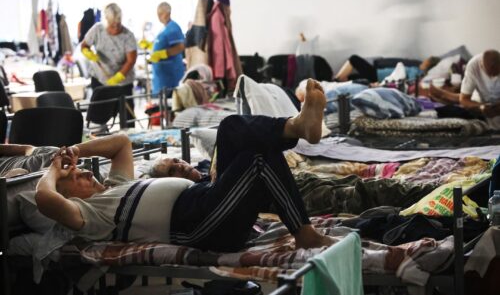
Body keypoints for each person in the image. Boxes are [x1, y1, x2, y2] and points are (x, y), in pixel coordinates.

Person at [35, 79, 334, 252]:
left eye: (79, 168)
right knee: (255, 160)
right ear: (69, 197)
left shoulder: (116, 187)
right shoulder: (90, 217)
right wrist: (53, 170)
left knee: (230, 127)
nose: (85, 170)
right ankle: (304, 233)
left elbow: (121, 142)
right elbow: (45, 200)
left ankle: (296, 126)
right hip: (199, 225)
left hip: (208, 197)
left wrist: (73, 149)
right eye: (74, 177)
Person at [81, 3, 137, 127]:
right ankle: (100, 139)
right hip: (100, 79)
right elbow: (84, 45)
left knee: (127, 117)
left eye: (118, 23)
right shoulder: (97, 29)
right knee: (99, 117)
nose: (116, 28)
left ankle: (130, 141)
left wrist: (119, 76)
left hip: (123, 82)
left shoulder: (128, 35)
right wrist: (87, 52)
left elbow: (131, 60)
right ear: (105, 20)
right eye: (112, 25)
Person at [150, 2, 186, 95]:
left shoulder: (173, 28)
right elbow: (163, 44)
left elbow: (180, 47)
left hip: (170, 77)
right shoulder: (165, 28)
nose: (159, 16)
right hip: (162, 78)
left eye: (161, 13)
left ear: (168, 13)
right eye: (158, 14)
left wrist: (162, 54)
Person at [460, 50, 500, 129]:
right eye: (490, 74)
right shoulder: (473, 66)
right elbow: (464, 99)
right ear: (481, 66)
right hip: (480, 99)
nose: (493, 77)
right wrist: (481, 107)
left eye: (496, 73)